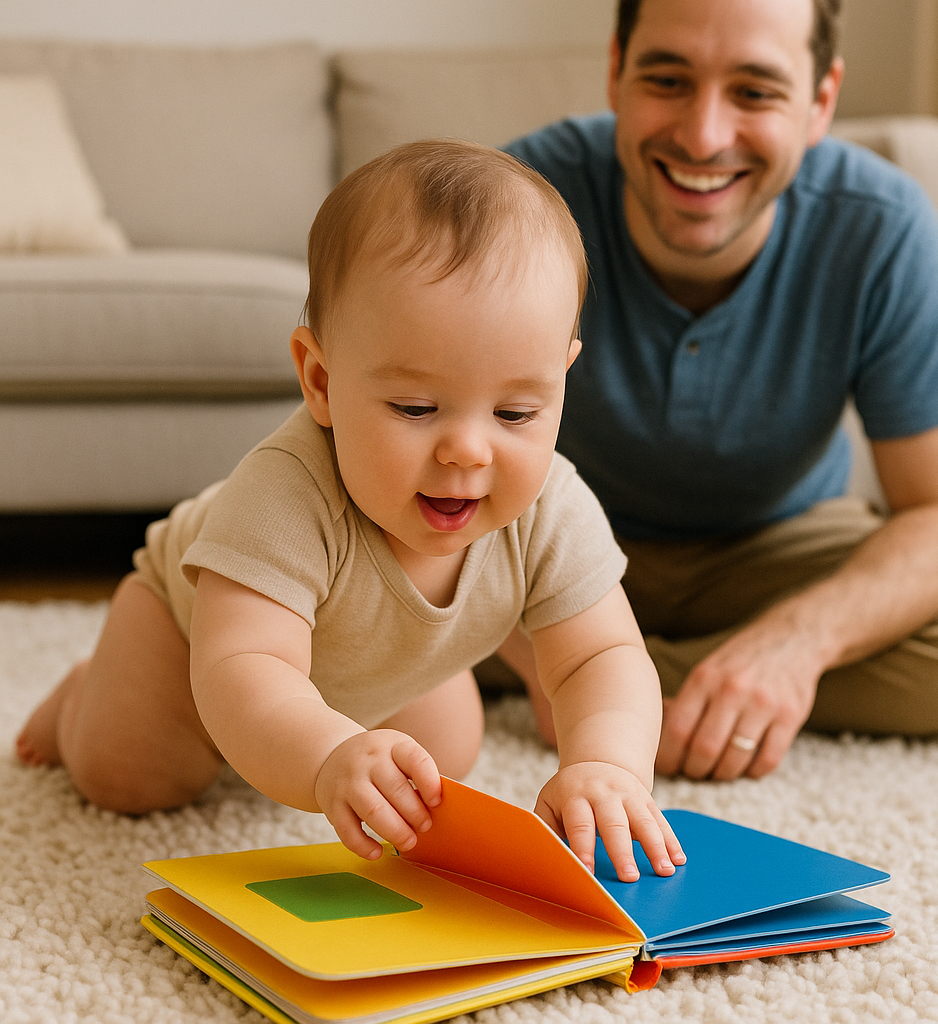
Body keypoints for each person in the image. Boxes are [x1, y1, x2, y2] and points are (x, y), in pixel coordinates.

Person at [15, 139, 685, 883]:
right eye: (416, 406)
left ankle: (350, 711)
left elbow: (602, 658)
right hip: (194, 631)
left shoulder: (552, 507)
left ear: (562, 379)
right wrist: (328, 755)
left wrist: (606, 765)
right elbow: (249, 667)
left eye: (517, 411)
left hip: (380, 656)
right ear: (321, 380)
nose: (468, 450)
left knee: (446, 756)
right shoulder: (283, 497)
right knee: (132, 775)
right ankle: (82, 693)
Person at [498, 0, 938, 782]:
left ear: (820, 101)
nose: (704, 135)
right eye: (668, 79)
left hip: (773, 553)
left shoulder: (881, 223)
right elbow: (404, 468)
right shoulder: (517, 206)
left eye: (755, 91)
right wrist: (535, 645)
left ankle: (615, 679)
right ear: (615, 71)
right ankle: (598, 669)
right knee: (328, 605)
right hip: (543, 553)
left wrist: (795, 643)